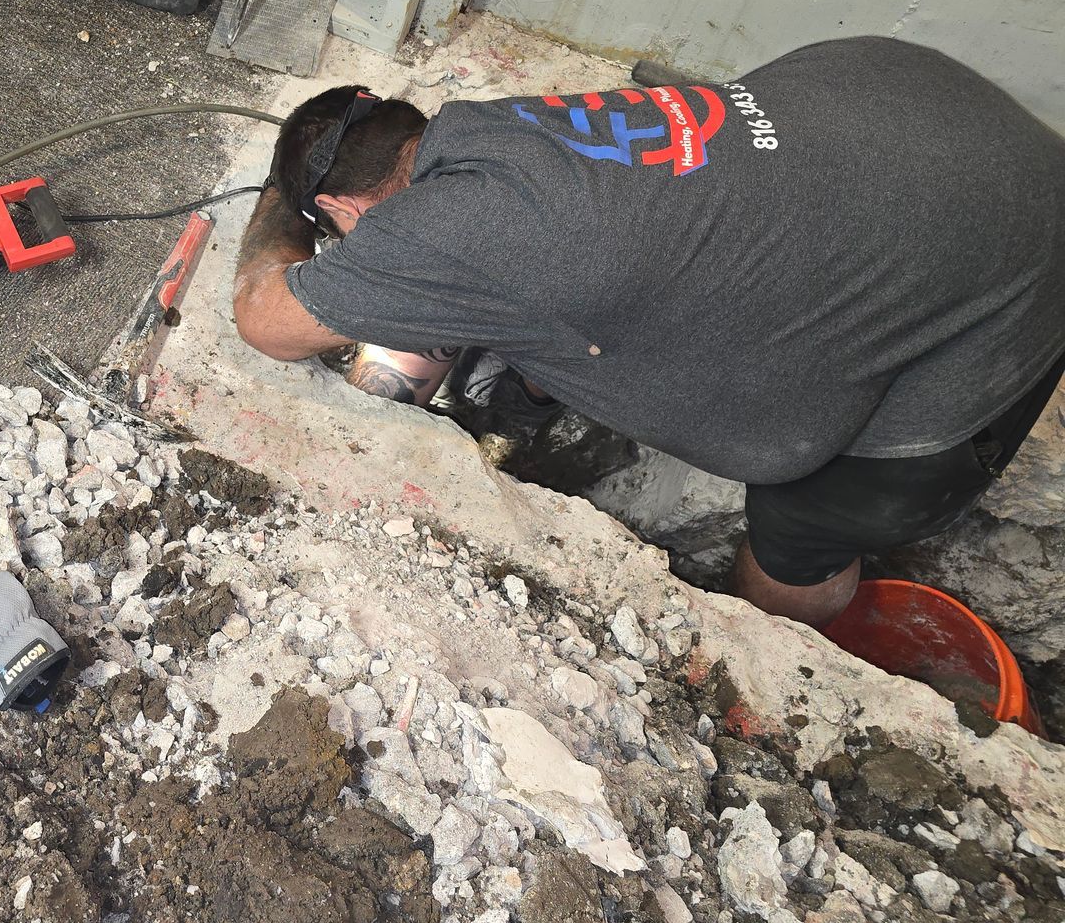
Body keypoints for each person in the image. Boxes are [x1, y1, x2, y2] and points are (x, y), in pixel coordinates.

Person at [231, 40, 1065, 629]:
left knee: (806, 523)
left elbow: (265, 319)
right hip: (915, 105)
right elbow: (592, 262)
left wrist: (279, 194)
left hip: (1007, 270)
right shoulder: (501, 127)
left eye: (338, 230)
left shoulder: (446, 237)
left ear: (341, 210)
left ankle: (776, 657)